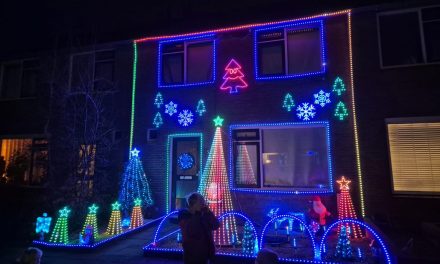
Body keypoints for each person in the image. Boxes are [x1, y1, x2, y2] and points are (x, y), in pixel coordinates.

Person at [178, 192, 220, 264]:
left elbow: (216, 225)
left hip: (206, 254)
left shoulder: (204, 214)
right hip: (192, 256)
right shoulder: (184, 215)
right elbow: (192, 230)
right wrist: (198, 214)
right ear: (193, 204)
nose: (203, 203)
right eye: (201, 201)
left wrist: (209, 213)